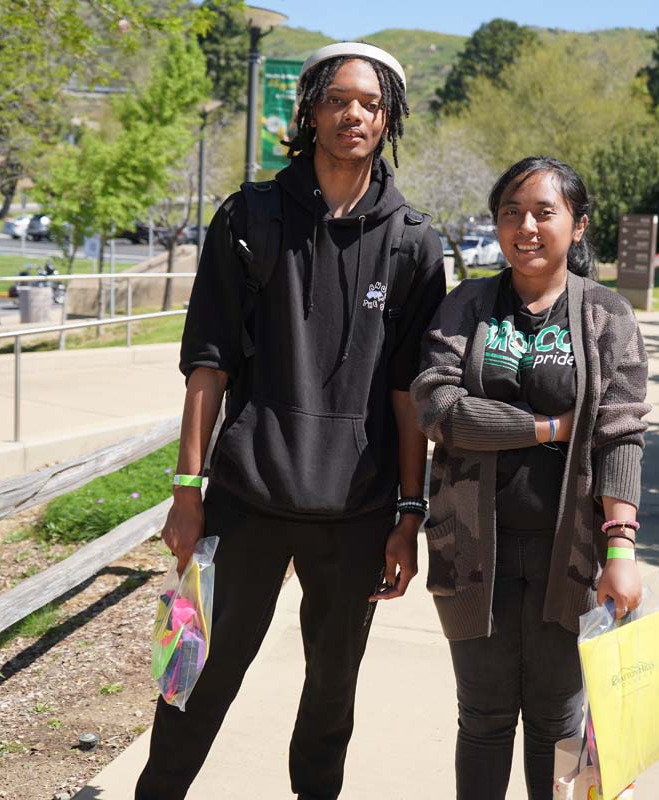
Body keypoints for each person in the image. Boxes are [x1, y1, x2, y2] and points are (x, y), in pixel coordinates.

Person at [135, 42, 446, 799]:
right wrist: (187, 490)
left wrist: (410, 513)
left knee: (332, 696)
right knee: (191, 674)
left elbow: (411, 392)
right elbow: (207, 362)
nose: (354, 114)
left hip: (359, 512)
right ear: (308, 110)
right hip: (242, 500)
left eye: (371, 104)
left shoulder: (415, 244)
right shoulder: (248, 219)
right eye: (338, 99)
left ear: (389, 119)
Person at [411, 156, 650, 800]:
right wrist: (548, 428)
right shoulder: (465, 306)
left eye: (545, 212)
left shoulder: (605, 315)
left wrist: (621, 548)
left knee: (559, 722)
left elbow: (620, 433)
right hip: (471, 551)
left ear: (578, 226)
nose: (526, 227)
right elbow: (439, 406)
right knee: (483, 720)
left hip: (567, 555)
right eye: (511, 213)